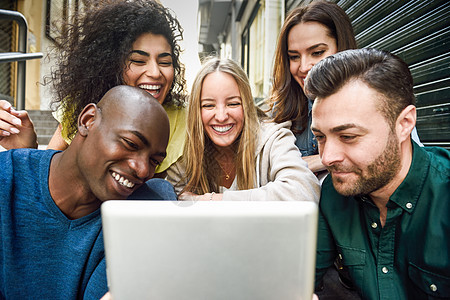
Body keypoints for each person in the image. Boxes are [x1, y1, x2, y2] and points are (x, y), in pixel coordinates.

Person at [0, 85, 173, 299]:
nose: (143, 169)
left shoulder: (141, 209)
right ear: (87, 120)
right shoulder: (7, 178)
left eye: (154, 161)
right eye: (130, 143)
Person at [306, 48, 450, 299]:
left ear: (404, 124)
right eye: (320, 137)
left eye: (348, 137)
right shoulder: (334, 193)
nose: (327, 157)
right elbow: (301, 280)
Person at [0, 0, 187, 177]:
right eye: (138, 61)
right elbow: (48, 174)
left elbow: (155, 192)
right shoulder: (82, 103)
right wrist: (26, 151)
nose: (155, 72)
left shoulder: (179, 118)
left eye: (165, 62)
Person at [268, 0, 422, 174]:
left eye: (317, 52)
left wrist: (315, 162)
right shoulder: (282, 110)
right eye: (294, 56)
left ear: (341, 47)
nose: (303, 67)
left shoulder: (376, 94)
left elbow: (406, 162)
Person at [166, 57, 320, 202]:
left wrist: (213, 200)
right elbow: (178, 207)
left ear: (246, 105)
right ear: (196, 111)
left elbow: (303, 191)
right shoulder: (186, 153)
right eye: (208, 105)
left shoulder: (272, 138)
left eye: (233, 104)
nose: (221, 116)